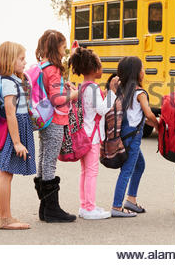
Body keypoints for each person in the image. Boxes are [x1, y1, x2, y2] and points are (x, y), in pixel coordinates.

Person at [33, 30, 79, 223]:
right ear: (55, 47)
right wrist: (72, 96)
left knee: (44, 159)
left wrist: (63, 86)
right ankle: (52, 210)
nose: (65, 49)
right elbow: (57, 99)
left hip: (43, 119)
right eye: (63, 46)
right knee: (50, 161)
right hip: (55, 120)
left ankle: (45, 208)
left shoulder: (42, 66)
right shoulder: (54, 69)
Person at [68, 47, 119, 220]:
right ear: (94, 68)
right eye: (100, 65)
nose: (102, 68)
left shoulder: (82, 87)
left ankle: (85, 205)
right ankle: (89, 208)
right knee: (91, 172)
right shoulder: (94, 89)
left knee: (85, 171)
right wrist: (112, 91)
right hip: (92, 136)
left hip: (83, 134)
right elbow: (102, 110)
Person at [0, 41, 36, 229]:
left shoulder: (8, 79)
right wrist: (17, 142)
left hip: (8, 131)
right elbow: (11, 112)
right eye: (22, 59)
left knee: (0, 174)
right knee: (6, 174)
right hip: (13, 131)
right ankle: (5, 219)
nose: (25, 62)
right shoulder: (8, 82)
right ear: (10, 60)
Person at [111, 56, 159, 217]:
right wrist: (158, 125)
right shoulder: (140, 92)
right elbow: (149, 114)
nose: (144, 71)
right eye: (142, 69)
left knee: (140, 165)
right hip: (133, 137)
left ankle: (131, 200)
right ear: (136, 73)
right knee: (127, 171)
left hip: (124, 134)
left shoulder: (121, 92)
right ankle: (117, 207)